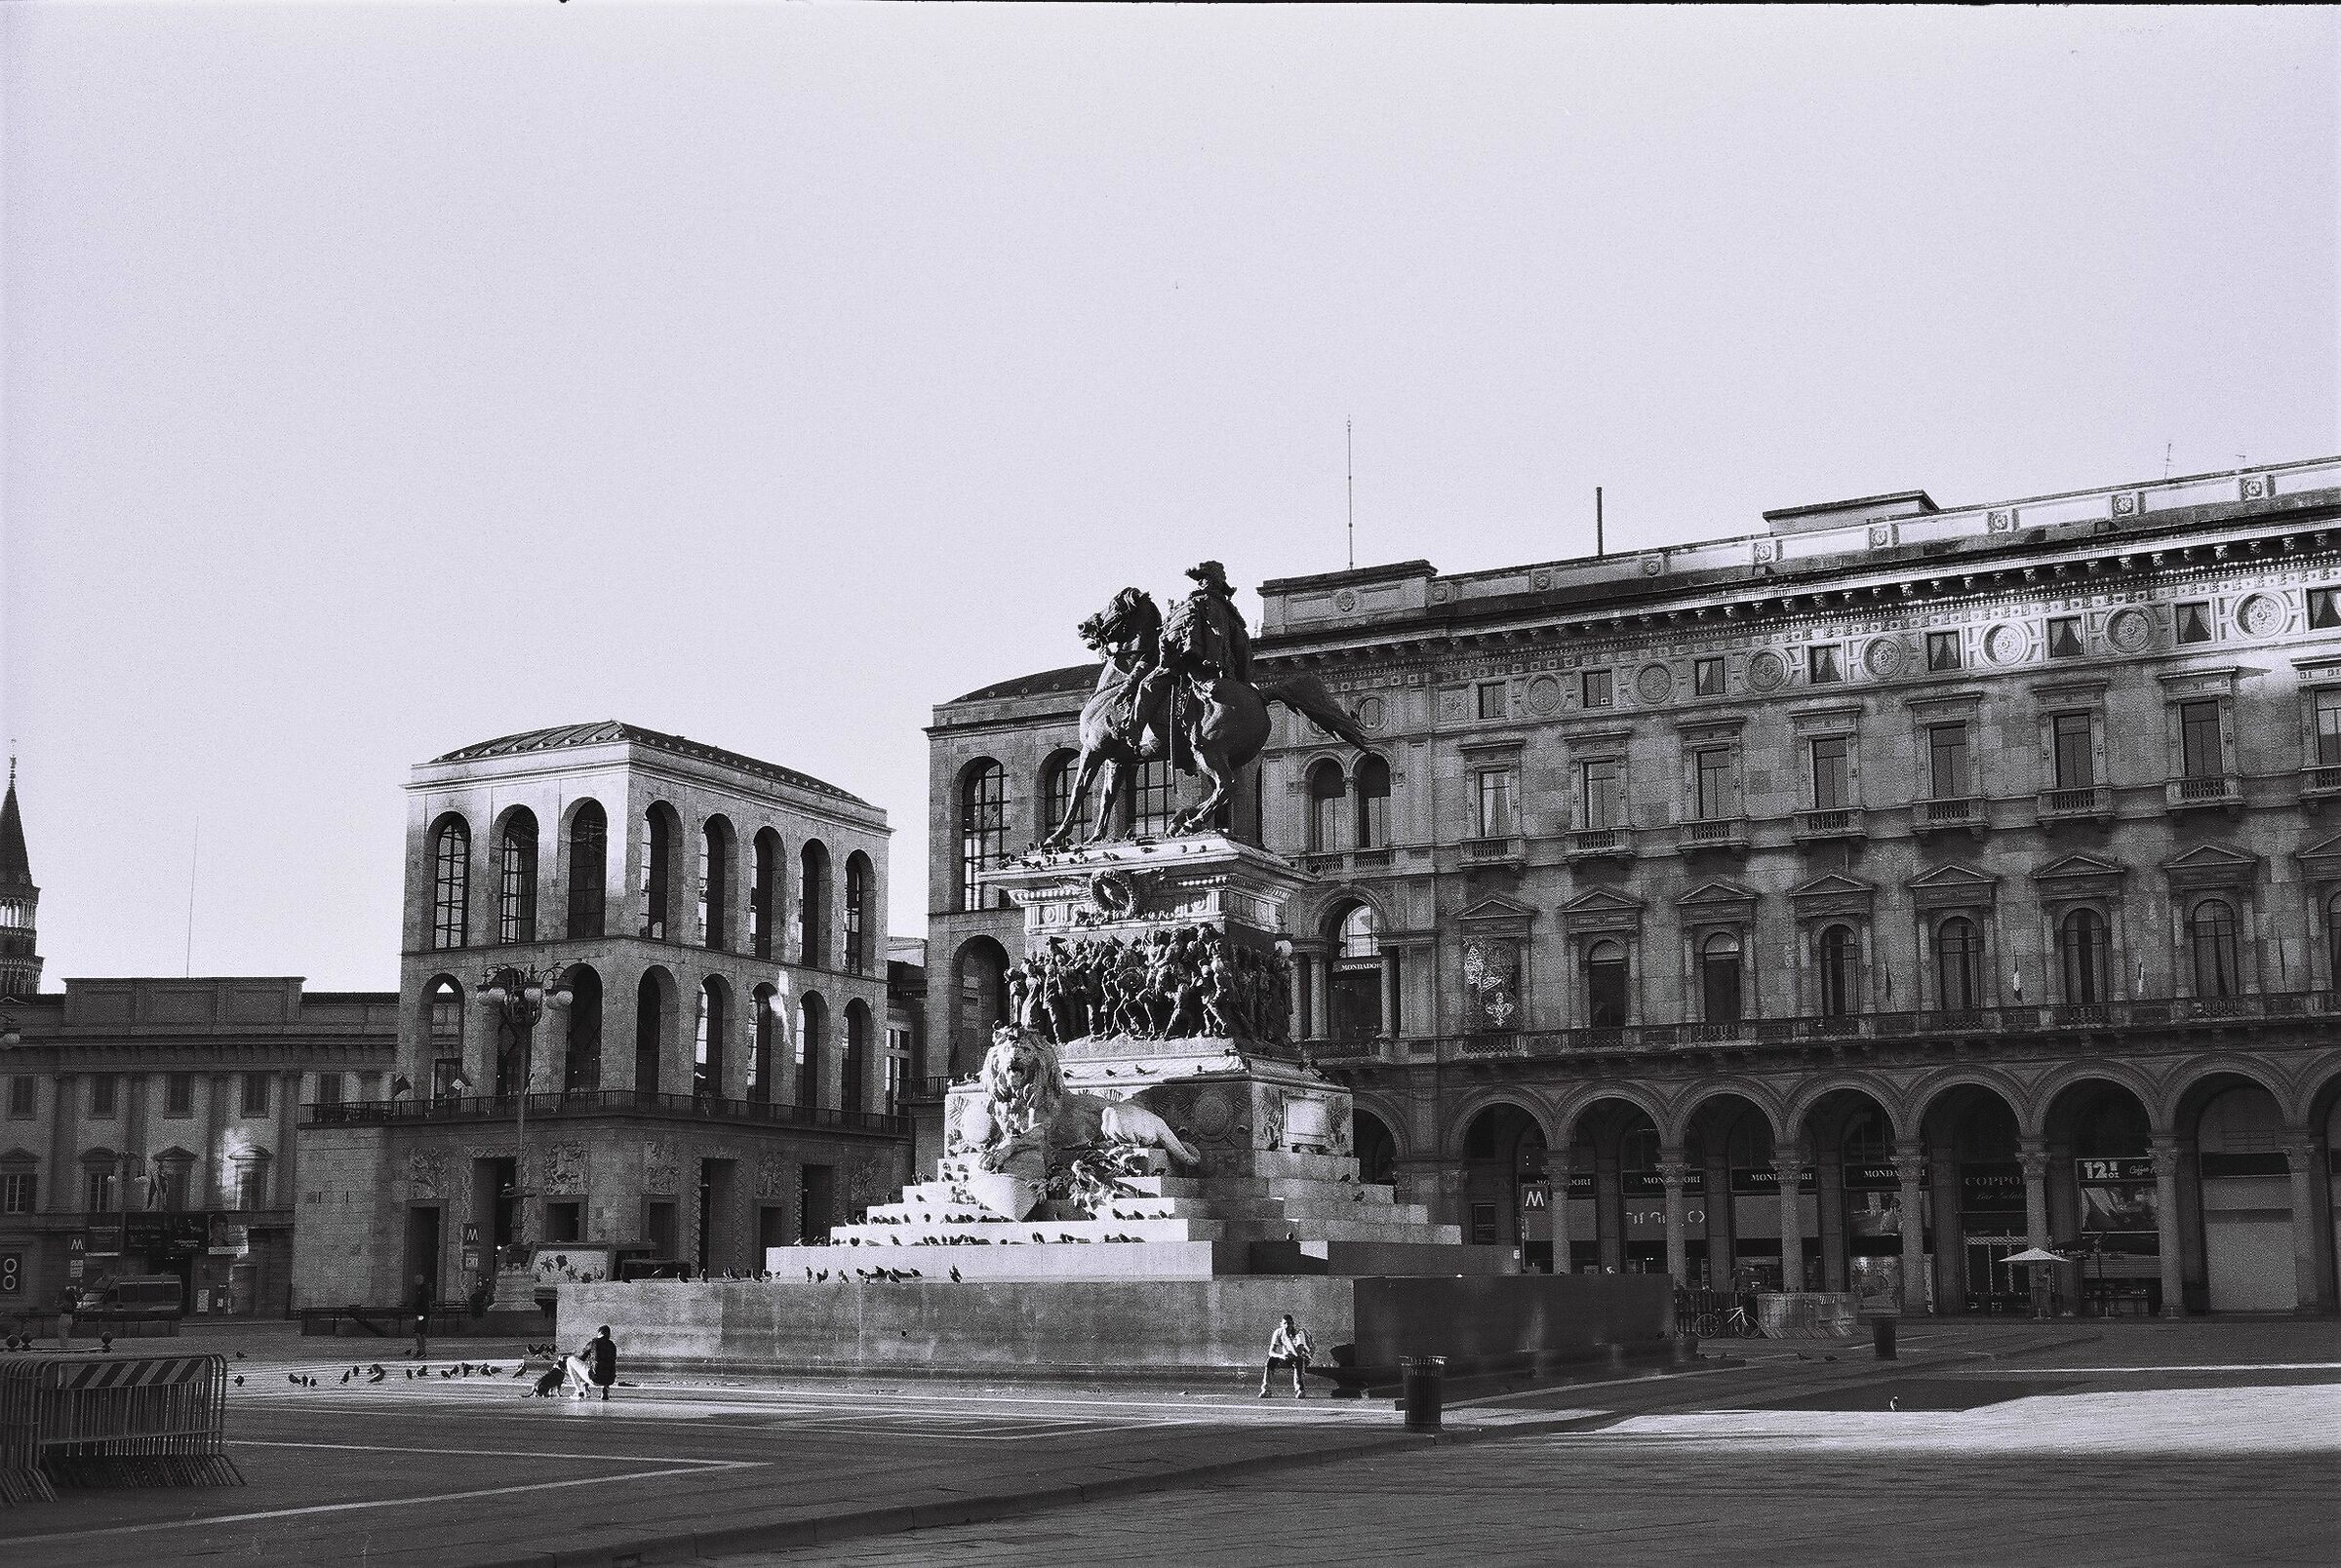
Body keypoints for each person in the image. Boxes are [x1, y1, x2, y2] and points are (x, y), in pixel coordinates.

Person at [1259, 1313, 1312, 1398]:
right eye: (1285, 1323)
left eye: (1289, 1323)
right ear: (1281, 1324)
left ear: (1293, 1324)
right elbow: (1271, 1352)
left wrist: (1287, 1338)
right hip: (1287, 1358)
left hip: (1303, 1358)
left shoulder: (1299, 1333)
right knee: (1271, 1360)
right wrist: (1281, 1356)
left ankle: (1300, 1390)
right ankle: (1266, 1390)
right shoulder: (1278, 1332)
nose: (1287, 1326)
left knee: (1299, 1360)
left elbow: (1297, 1354)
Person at [580, 1323, 617, 1401]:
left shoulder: (594, 1342)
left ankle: (583, 1387)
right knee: (607, 1363)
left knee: (577, 1363)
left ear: (599, 1333)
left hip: (595, 1377)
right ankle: (606, 1388)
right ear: (609, 1334)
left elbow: (582, 1358)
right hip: (610, 1379)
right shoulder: (612, 1345)